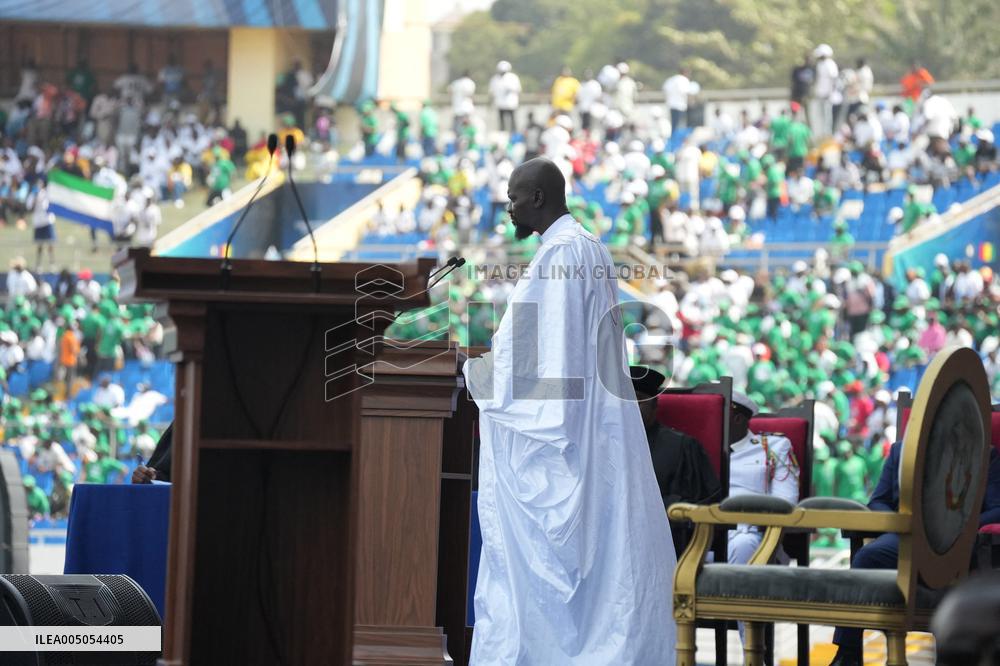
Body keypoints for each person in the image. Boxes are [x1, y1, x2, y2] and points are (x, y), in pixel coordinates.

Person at [462, 157, 676, 664]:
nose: (508, 207)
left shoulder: (559, 255)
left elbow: (538, 362)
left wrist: (476, 371)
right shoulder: (588, 247)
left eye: (514, 196)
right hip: (596, 423)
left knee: (561, 586)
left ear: (538, 197)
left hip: (569, 435)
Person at [829, 439, 1000, 665]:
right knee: (867, 556)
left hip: (958, 541)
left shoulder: (985, 453)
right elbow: (878, 502)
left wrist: (961, 528)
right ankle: (848, 654)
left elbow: (997, 509)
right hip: (906, 536)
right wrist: (904, 522)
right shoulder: (901, 450)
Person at [631, 365, 721, 555]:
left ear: (655, 405)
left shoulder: (682, 447)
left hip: (662, 544)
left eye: (639, 400)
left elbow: (705, 503)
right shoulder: (601, 446)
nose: (630, 408)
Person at [726, 391, 799, 564]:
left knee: (743, 546)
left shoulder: (773, 447)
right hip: (704, 529)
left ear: (738, 419)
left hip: (749, 531)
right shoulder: (697, 447)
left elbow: (786, 503)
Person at [489, 61, 522, 134]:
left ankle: (514, 134)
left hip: (511, 103)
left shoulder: (513, 77)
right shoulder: (495, 79)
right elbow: (492, 92)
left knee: (513, 121)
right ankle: (502, 135)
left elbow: (518, 90)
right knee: (501, 122)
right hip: (500, 104)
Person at [663, 67, 692, 132]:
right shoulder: (684, 80)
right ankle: (677, 139)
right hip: (680, 106)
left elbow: (665, 89)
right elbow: (685, 92)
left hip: (671, 105)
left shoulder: (671, 79)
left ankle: (673, 138)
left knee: (673, 124)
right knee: (680, 125)